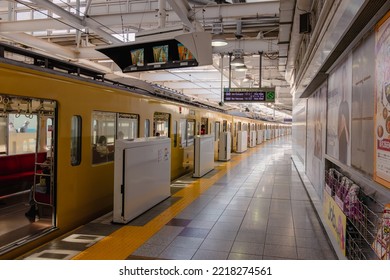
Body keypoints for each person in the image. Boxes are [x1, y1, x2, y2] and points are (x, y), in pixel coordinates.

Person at [337, 65, 350, 165]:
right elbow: (341, 123)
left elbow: (344, 122)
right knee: (342, 155)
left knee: (344, 155)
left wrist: (347, 135)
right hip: (342, 137)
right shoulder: (341, 104)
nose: (343, 83)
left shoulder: (346, 104)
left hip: (344, 137)